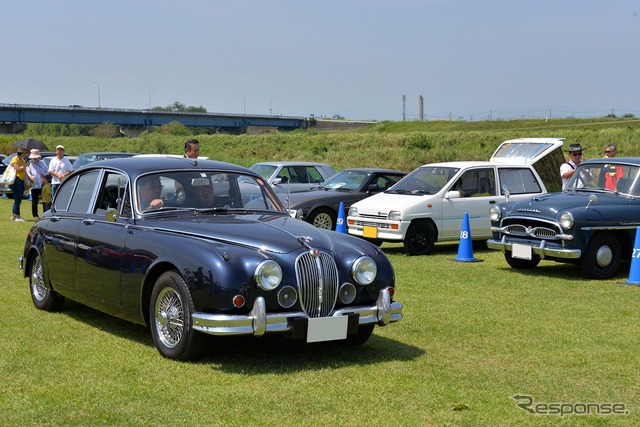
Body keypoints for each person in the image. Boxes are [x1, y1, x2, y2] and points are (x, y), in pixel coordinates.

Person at [26, 149, 49, 219]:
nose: (35, 159)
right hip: (34, 184)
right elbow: (27, 172)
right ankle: (35, 215)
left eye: (36, 157)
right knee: (35, 200)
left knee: (44, 199)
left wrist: (44, 175)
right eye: (34, 157)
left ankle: (45, 213)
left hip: (42, 183)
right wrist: (30, 177)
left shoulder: (42, 163)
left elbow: (46, 171)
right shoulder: (29, 163)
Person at [8, 148, 29, 221]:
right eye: (25, 152)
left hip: (21, 180)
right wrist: (25, 165)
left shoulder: (22, 160)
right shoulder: (15, 159)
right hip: (17, 180)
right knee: (18, 199)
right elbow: (17, 169)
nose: (26, 154)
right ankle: (17, 216)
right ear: (21, 153)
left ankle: (14, 215)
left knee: (18, 199)